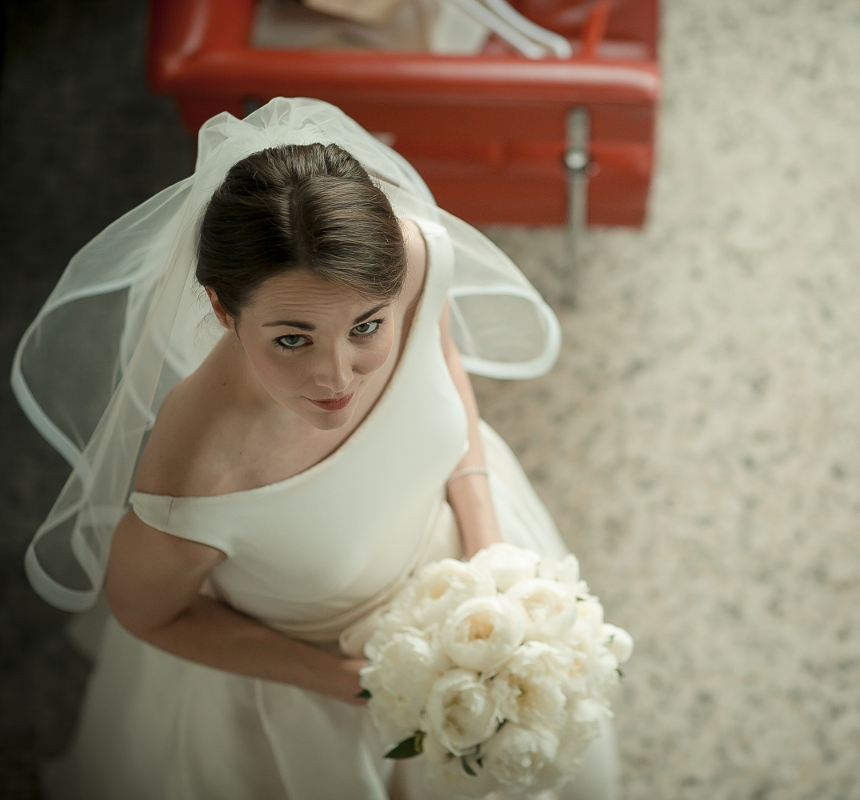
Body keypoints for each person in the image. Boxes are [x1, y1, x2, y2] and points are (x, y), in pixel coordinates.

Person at [13, 98, 617, 800]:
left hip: (467, 559)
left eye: (367, 326)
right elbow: (149, 613)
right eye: (292, 339)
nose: (337, 377)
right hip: (313, 685)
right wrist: (351, 682)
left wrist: (490, 558)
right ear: (219, 308)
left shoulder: (418, 258)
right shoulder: (196, 473)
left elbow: (440, 359)